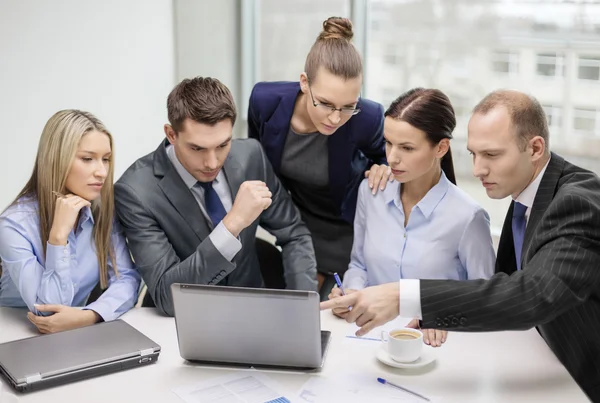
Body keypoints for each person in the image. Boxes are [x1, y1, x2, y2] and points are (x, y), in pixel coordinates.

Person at [321, 90, 600, 401]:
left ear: (534, 148)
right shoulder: (526, 200)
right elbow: (503, 285)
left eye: (491, 155)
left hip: (583, 378)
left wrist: (406, 297)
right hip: (542, 368)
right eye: (473, 154)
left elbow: (531, 294)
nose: (478, 170)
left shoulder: (576, 202)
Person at [114, 77, 318, 317]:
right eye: (197, 148)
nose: (212, 163)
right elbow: (166, 296)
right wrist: (231, 225)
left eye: (223, 145)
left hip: (253, 316)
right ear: (171, 134)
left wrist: (304, 305)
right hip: (181, 324)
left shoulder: (251, 155)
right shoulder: (135, 191)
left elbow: (294, 233)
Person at [328, 88, 495, 347]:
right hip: (367, 340)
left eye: (406, 147)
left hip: (434, 349)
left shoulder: (468, 217)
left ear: (441, 147)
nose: (392, 157)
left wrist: (442, 315)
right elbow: (359, 264)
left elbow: (487, 301)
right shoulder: (371, 192)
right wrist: (352, 293)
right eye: (388, 142)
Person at [248, 16, 390, 299]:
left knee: (335, 305)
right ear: (304, 83)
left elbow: (386, 156)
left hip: (344, 224)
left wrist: (383, 167)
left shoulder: (368, 117)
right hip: (296, 214)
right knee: (295, 295)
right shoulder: (265, 101)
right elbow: (256, 157)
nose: (336, 118)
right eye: (325, 103)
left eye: (348, 106)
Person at [0, 110, 141, 334]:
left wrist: (90, 315)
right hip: (15, 334)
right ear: (57, 159)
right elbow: (46, 311)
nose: (102, 172)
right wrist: (58, 237)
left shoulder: (102, 210)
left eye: (106, 159)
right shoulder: (14, 224)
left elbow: (127, 279)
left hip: (73, 332)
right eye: (87, 159)